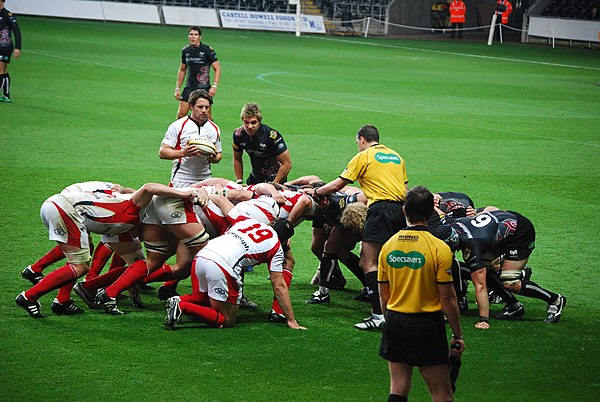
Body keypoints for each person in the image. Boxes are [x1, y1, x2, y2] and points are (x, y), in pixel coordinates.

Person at [15, 183, 198, 318]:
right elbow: (149, 188)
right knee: (80, 266)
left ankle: (63, 299)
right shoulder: (134, 207)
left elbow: (136, 265)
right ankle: (29, 296)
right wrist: (183, 192)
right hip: (66, 208)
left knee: (95, 261)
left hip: (63, 207)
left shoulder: (123, 225)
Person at [307, 124, 409, 330]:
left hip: (379, 209)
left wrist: (317, 193)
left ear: (362, 139)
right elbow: (405, 189)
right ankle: (401, 307)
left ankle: (378, 315)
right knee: (392, 260)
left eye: (357, 143)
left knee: (368, 262)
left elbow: (337, 185)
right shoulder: (396, 156)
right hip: (400, 211)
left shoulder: (364, 156)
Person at [378, 186, 465, 402]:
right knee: (442, 394)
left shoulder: (388, 246)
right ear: (431, 212)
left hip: (396, 321)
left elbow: (383, 295)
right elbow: (448, 298)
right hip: (426, 324)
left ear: (404, 210)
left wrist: (391, 321)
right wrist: (457, 334)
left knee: (397, 389)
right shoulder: (439, 248)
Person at [164, 216, 306, 330]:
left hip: (203, 254)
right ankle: (182, 306)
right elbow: (279, 286)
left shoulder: (249, 222)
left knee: (207, 299)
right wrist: (291, 319)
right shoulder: (276, 246)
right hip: (222, 264)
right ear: (284, 240)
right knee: (226, 319)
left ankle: (179, 300)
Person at [449, 209, 566, 329]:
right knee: (485, 270)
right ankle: (514, 306)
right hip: (502, 224)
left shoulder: (472, 246)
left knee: (509, 282)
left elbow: (481, 286)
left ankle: (555, 300)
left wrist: (484, 320)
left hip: (520, 233)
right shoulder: (450, 224)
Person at [160, 89, 222, 188]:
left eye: (207, 107)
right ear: (191, 106)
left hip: (205, 181)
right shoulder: (178, 126)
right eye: (200, 107)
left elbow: (219, 155)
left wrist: (213, 157)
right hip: (181, 181)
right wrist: (183, 153)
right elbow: (163, 152)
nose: (204, 110)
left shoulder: (214, 128)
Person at [232, 103, 292, 185]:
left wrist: (275, 184)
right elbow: (237, 158)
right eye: (246, 122)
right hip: (255, 178)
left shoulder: (271, 136)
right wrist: (239, 182)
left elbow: (287, 163)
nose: (249, 126)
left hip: (273, 178)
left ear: (259, 121)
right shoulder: (238, 135)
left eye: (253, 123)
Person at [174, 26, 221, 119]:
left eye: (196, 35)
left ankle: (211, 134)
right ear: (188, 36)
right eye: (191, 34)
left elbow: (217, 68)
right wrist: (177, 87)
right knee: (181, 114)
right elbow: (183, 69)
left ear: (200, 37)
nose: (193, 37)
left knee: (206, 116)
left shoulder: (207, 50)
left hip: (203, 88)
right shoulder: (185, 50)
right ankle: (179, 133)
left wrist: (214, 86)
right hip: (189, 87)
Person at [0, 0, 21, 103]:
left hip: (5, 47)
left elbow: (16, 31)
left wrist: (18, 47)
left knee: (0, 70)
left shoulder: (8, 15)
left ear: (2, 2)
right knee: (4, 71)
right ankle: (6, 95)